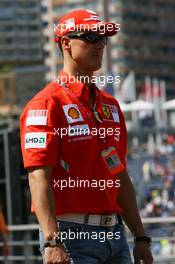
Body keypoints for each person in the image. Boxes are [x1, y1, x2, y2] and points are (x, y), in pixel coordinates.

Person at [20, 9, 153, 264]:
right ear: (66, 44)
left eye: (103, 38)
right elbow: (38, 177)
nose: (100, 44)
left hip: (116, 236)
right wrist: (51, 240)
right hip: (70, 237)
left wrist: (140, 237)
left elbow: (119, 175)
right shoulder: (45, 104)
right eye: (91, 37)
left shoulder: (111, 106)